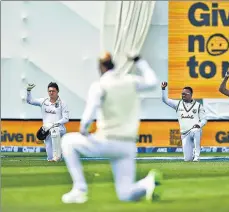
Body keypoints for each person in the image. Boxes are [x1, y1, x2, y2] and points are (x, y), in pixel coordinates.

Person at [60, 51, 162, 204]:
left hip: (107, 141)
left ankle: (80, 189)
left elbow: (89, 113)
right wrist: (140, 61)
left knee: (68, 141)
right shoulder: (131, 81)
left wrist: (84, 130)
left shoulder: (100, 85)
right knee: (125, 195)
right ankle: (147, 183)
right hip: (127, 145)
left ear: (101, 67)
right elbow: (153, 82)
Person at [161, 82, 207, 162]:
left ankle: (196, 156)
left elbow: (204, 119)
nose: (183, 95)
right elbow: (165, 100)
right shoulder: (178, 104)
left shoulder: (198, 106)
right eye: (182, 94)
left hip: (194, 130)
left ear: (190, 94)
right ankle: (191, 155)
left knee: (196, 131)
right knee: (187, 159)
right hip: (184, 134)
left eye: (185, 94)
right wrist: (163, 89)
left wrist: (199, 125)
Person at [26, 82, 69, 162]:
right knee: (50, 157)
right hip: (47, 130)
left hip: (60, 129)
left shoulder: (63, 103)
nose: (51, 93)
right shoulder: (43, 101)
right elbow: (30, 101)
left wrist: (53, 125)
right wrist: (28, 91)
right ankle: (56, 157)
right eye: (49, 91)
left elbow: (66, 119)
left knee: (54, 131)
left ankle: (58, 157)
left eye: (53, 91)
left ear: (57, 91)